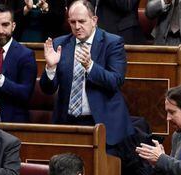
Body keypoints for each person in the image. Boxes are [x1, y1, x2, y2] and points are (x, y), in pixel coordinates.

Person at [40, 0, 134, 153]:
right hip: (67, 124)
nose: (77, 27)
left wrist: (90, 66)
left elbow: (115, 81)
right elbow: (47, 89)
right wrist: (51, 67)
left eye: (82, 21)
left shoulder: (112, 43)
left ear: (94, 20)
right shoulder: (60, 44)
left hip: (102, 124)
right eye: (73, 22)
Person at [0, 4, 37, 122]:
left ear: (13, 26)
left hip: (13, 122)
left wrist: (0, 79)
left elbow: (25, 94)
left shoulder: (26, 55)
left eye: (5, 25)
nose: (1, 31)